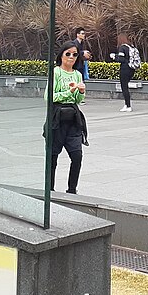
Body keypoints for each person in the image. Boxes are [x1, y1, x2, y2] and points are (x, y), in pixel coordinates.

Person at [49, 43, 88, 195]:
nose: (71, 57)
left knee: (77, 156)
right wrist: (68, 91)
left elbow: (77, 100)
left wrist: (81, 92)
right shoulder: (56, 72)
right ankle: (50, 190)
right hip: (57, 119)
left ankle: (72, 190)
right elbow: (50, 97)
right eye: (68, 54)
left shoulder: (77, 74)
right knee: (52, 158)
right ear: (61, 55)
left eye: (75, 54)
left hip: (73, 119)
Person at [108, 32, 140, 112]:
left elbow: (122, 59)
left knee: (124, 87)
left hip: (125, 69)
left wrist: (114, 57)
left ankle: (128, 105)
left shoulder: (122, 47)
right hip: (132, 68)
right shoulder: (131, 46)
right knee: (125, 86)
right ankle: (126, 104)